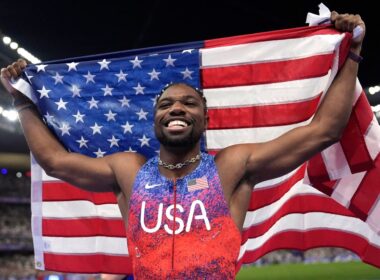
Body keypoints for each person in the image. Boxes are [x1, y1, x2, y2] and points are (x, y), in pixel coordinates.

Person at [0, 11, 365, 279]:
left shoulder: (232, 165)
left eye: (189, 103)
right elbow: (55, 162)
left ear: (205, 119)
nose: (176, 108)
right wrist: (22, 100)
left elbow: (323, 131)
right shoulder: (128, 170)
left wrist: (351, 56)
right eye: (166, 104)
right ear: (155, 119)